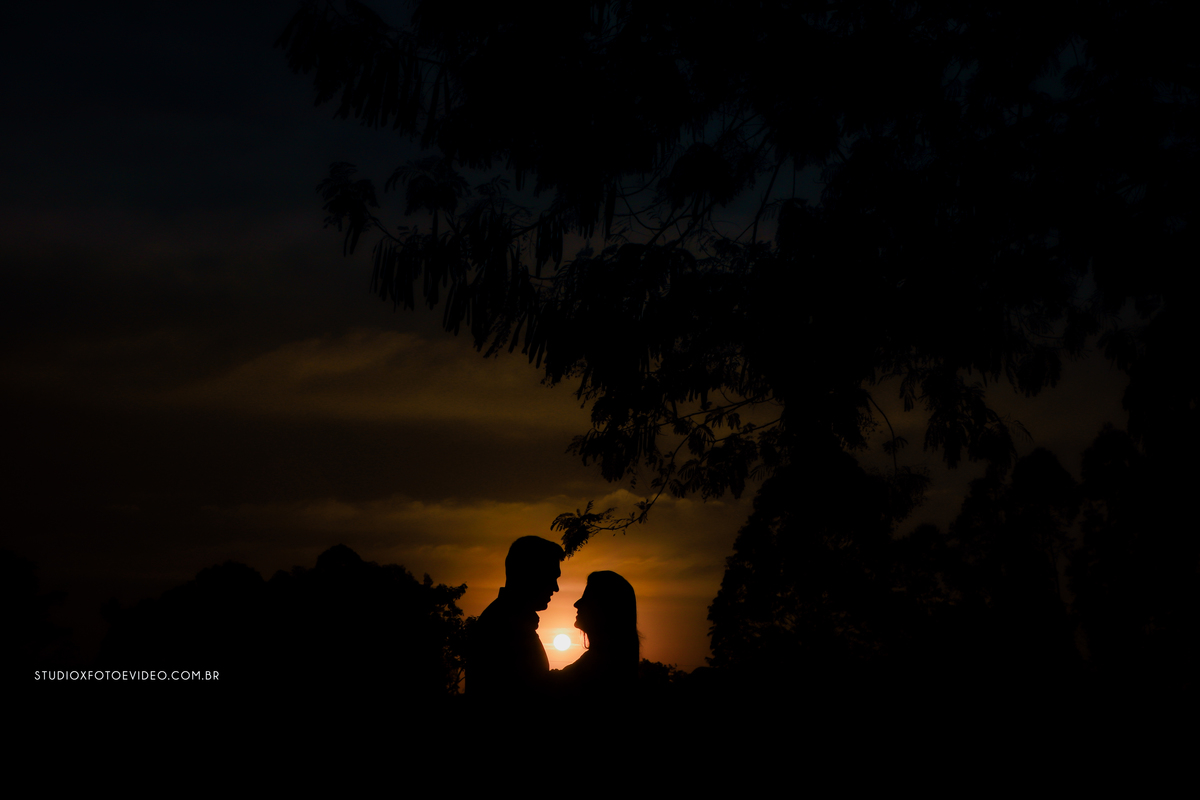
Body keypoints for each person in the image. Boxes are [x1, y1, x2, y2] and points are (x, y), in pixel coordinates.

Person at [469, 535, 565, 701]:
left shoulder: (510, 621)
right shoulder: (503, 628)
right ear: (531, 575)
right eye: (551, 577)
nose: (556, 588)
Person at [555, 571, 639, 701]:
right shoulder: (609, 662)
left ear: (604, 608)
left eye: (586, 598)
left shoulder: (597, 667)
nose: (576, 604)